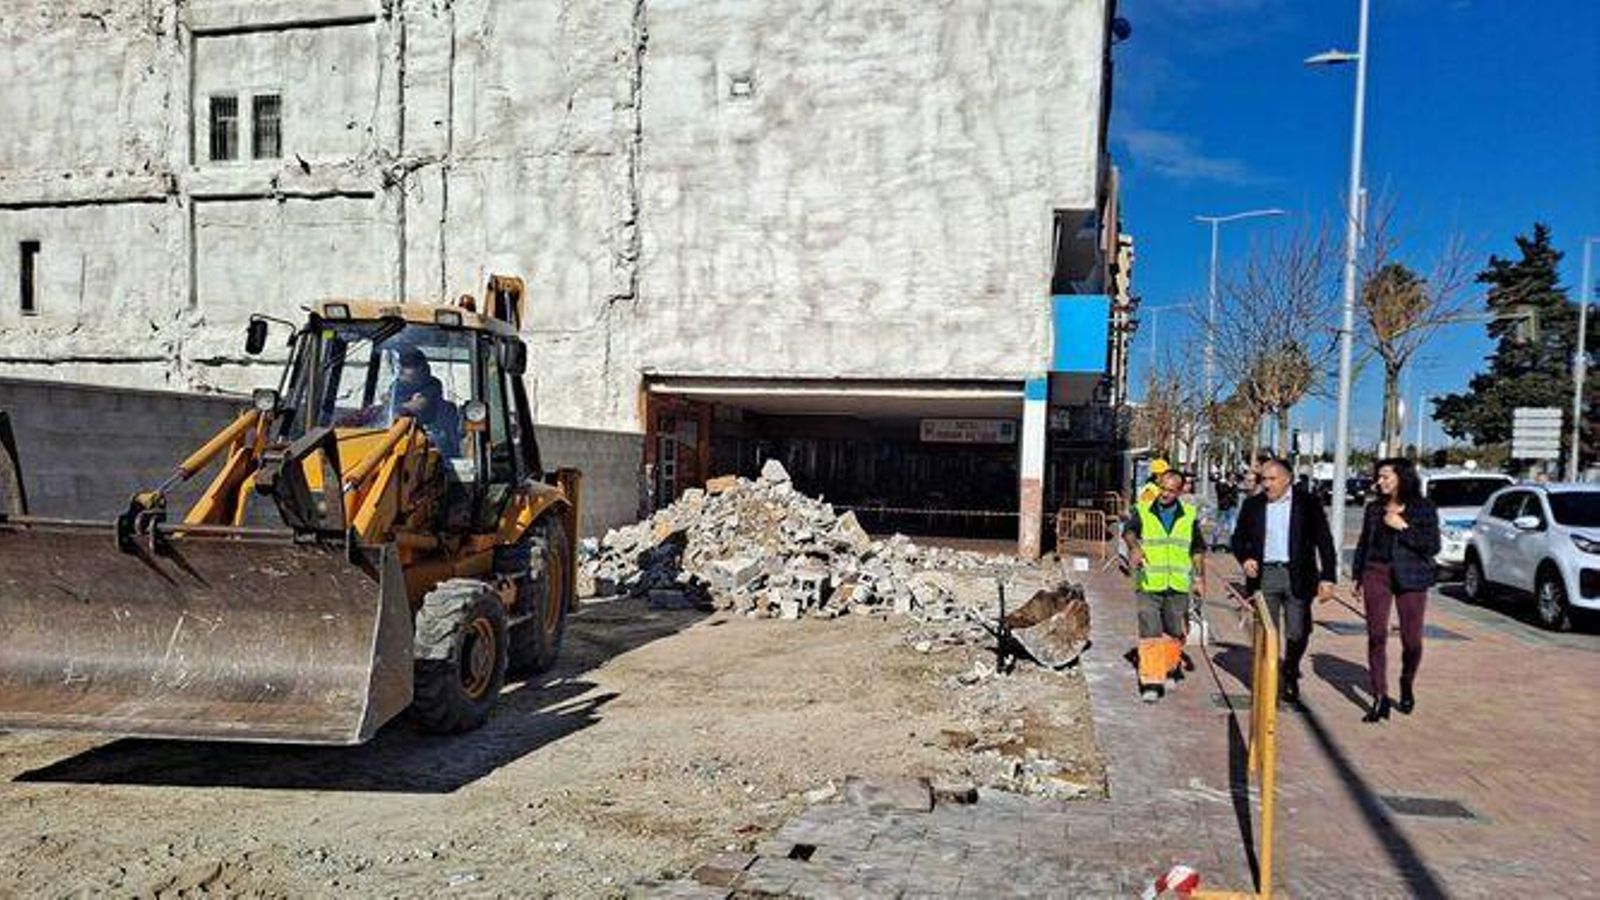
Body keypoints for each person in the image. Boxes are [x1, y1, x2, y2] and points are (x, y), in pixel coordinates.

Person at [1230, 458, 1338, 706]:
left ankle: (1290, 669)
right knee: (1267, 631)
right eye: (1263, 479)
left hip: (1297, 575)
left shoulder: (1308, 503)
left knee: (1297, 630)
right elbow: (1238, 538)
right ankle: (1266, 680)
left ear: (1287, 479)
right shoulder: (1253, 505)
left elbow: (1324, 541)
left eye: (1272, 479)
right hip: (1264, 575)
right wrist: (1245, 558)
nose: (1267, 484)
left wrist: (1328, 577)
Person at [1351, 458, 1440, 723]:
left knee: (1411, 641)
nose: (1380, 482)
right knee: (1376, 635)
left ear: (1402, 477)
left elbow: (1432, 545)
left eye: (1386, 477)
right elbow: (1364, 543)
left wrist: (1404, 527)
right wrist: (1358, 576)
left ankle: (1406, 680)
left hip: (1411, 576)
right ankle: (1380, 697)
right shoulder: (1374, 509)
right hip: (1376, 573)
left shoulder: (1423, 508)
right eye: (1378, 477)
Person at [1124, 470, 1207, 703]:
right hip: (1149, 582)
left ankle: (1170, 669)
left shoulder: (1189, 515)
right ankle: (1151, 681)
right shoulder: (1142, 510)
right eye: (1162, 488)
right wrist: (1134, 547)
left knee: (1174, 631)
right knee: (1149, 627)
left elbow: (1198, 550)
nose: (1165, 494)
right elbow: (1129, 532)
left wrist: (1200, 579)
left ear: (1180, 492)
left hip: (1178, 584)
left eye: (1171, 490)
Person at [390, 347, 461, 457]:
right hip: (400, 440)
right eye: (402, 366)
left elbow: (419, 405)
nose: (402, 370)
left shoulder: (432, 384)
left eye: (408, 366)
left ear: (422, 368)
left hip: (434, 441)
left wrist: (397, 407)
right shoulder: (397, 386)